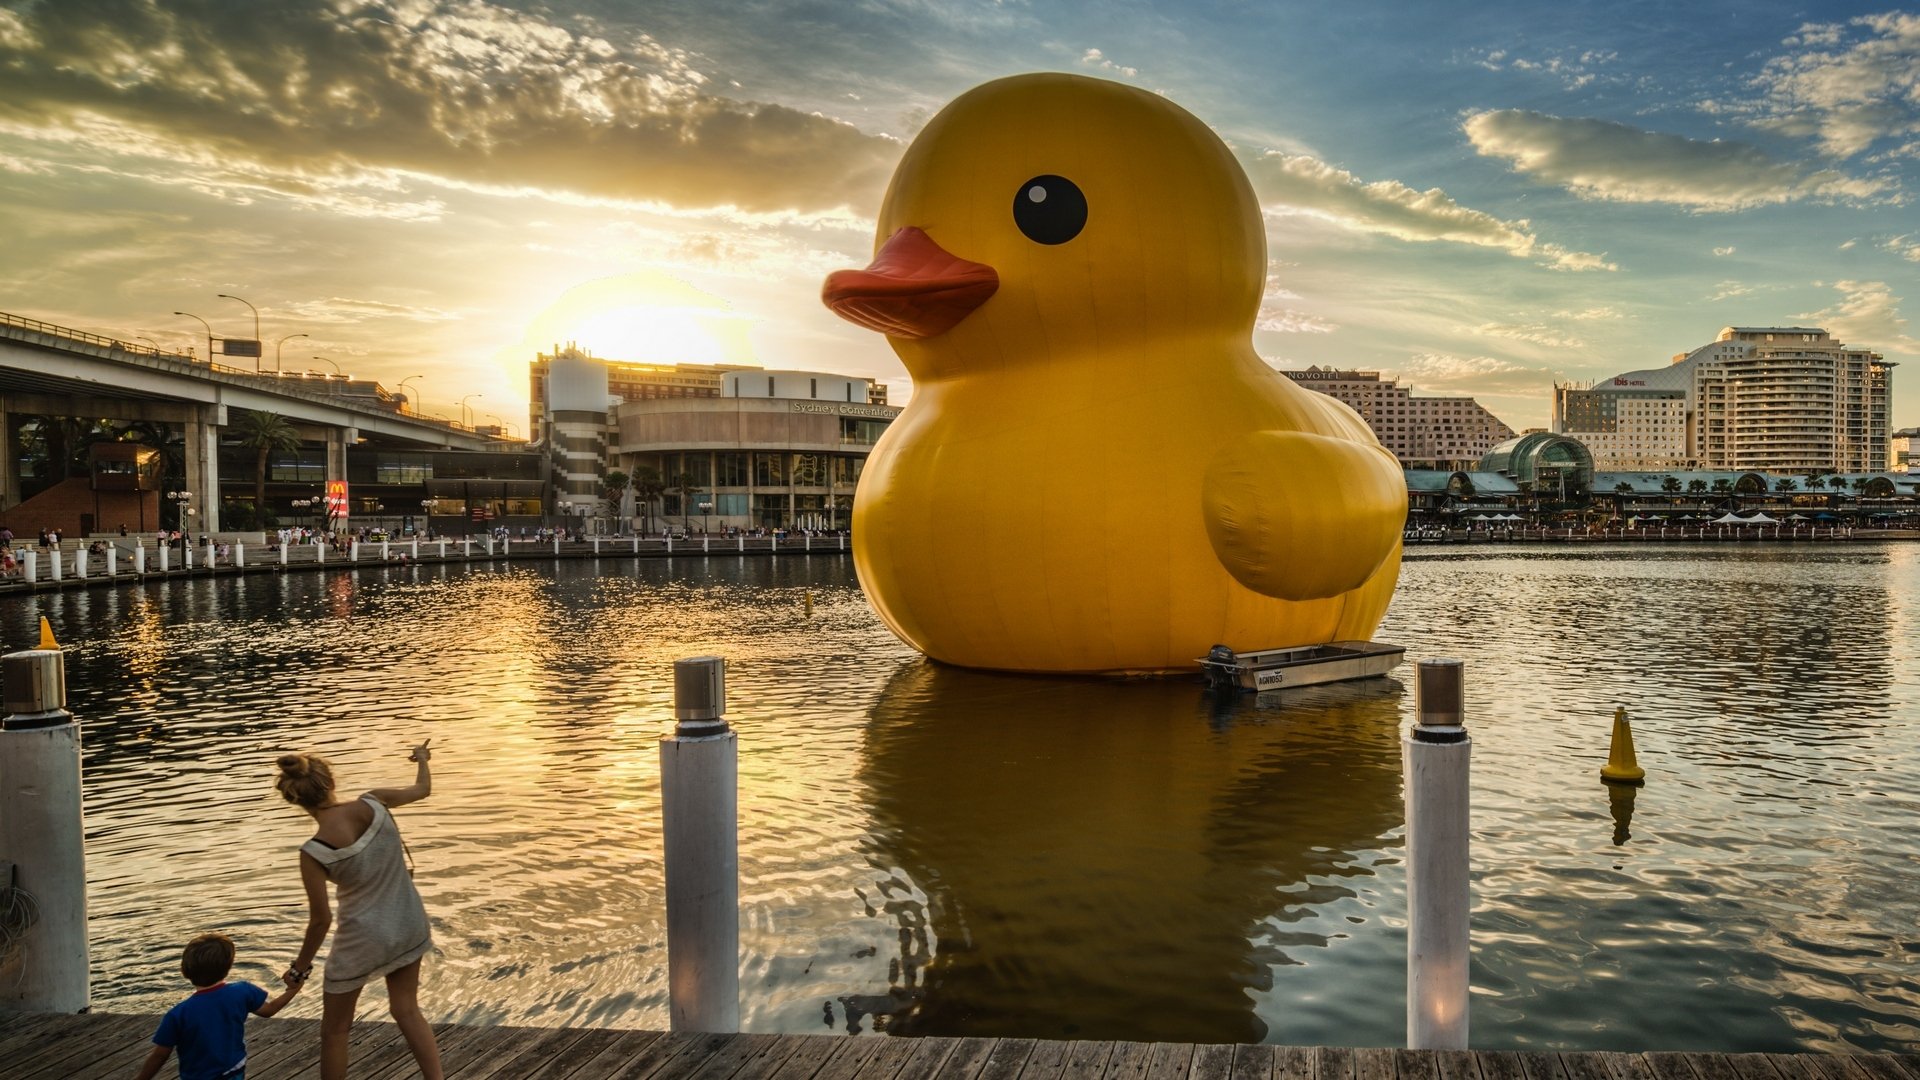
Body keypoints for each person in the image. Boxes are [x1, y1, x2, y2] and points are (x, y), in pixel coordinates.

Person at [277, 743, 441, 1080]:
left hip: (362, 940)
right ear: (330, 781)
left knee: (335, 1032)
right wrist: (422, 760)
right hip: (408, 923)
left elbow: (321, 920)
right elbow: (422, 790)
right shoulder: (374, 801)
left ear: (294, 800)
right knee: (407, 1009)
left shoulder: (314, 851)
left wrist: (299, 968)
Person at [131, 932, 303, 1080]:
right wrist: (293, 989)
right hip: (234, 1070)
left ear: (184, 971)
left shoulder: (178, 1014)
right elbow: (269, 1010)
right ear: (228, 968)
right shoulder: (242, 991)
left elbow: (160, 1055)